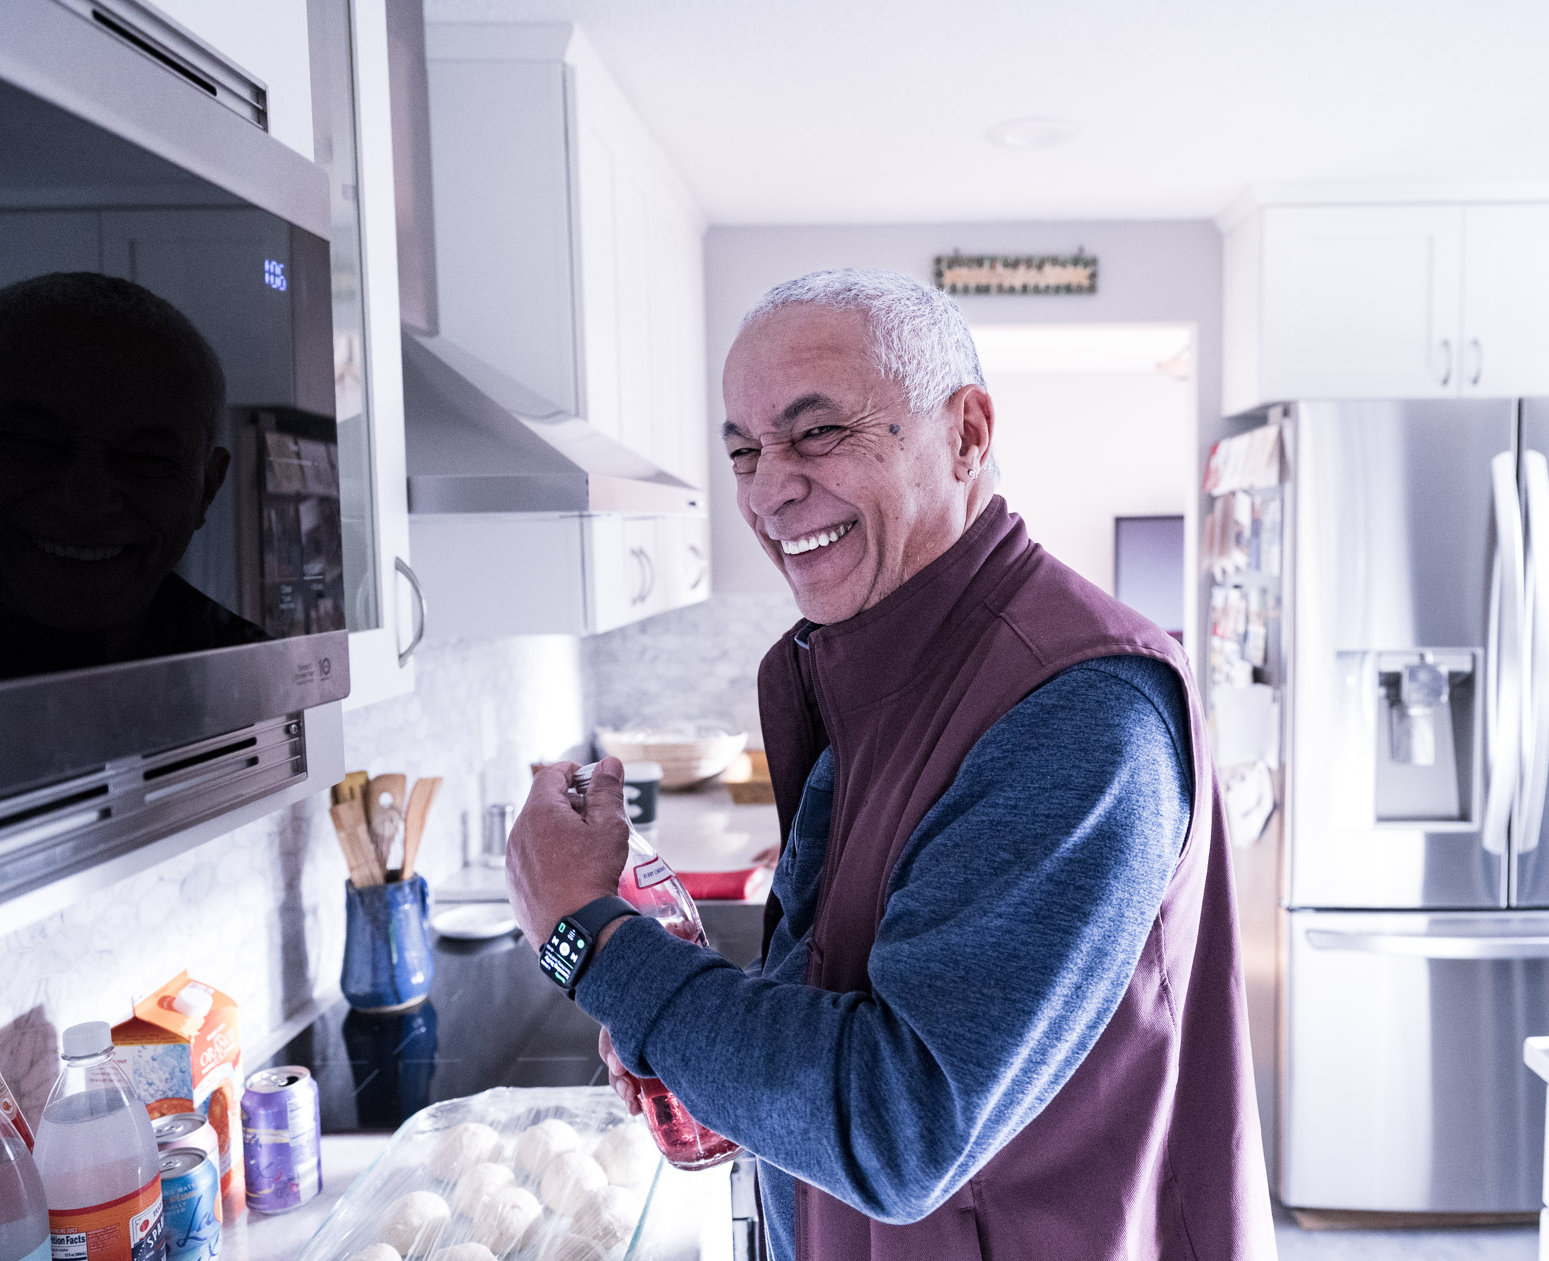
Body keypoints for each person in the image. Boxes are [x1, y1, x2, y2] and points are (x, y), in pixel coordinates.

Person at [507, 269, 1274, 1260]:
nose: (766, 487)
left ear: (965, 434)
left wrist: (593, 940)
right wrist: (708, 1048)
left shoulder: (1078, 709)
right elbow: (859, 1016)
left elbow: (898, 1126)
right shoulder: (885, 664)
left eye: (816, 432)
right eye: (743, 450)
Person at [0, 271, 267, 683]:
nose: (84, 500)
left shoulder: (251, 676)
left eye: (145, 457)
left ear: (208, 488)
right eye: (30, 441)